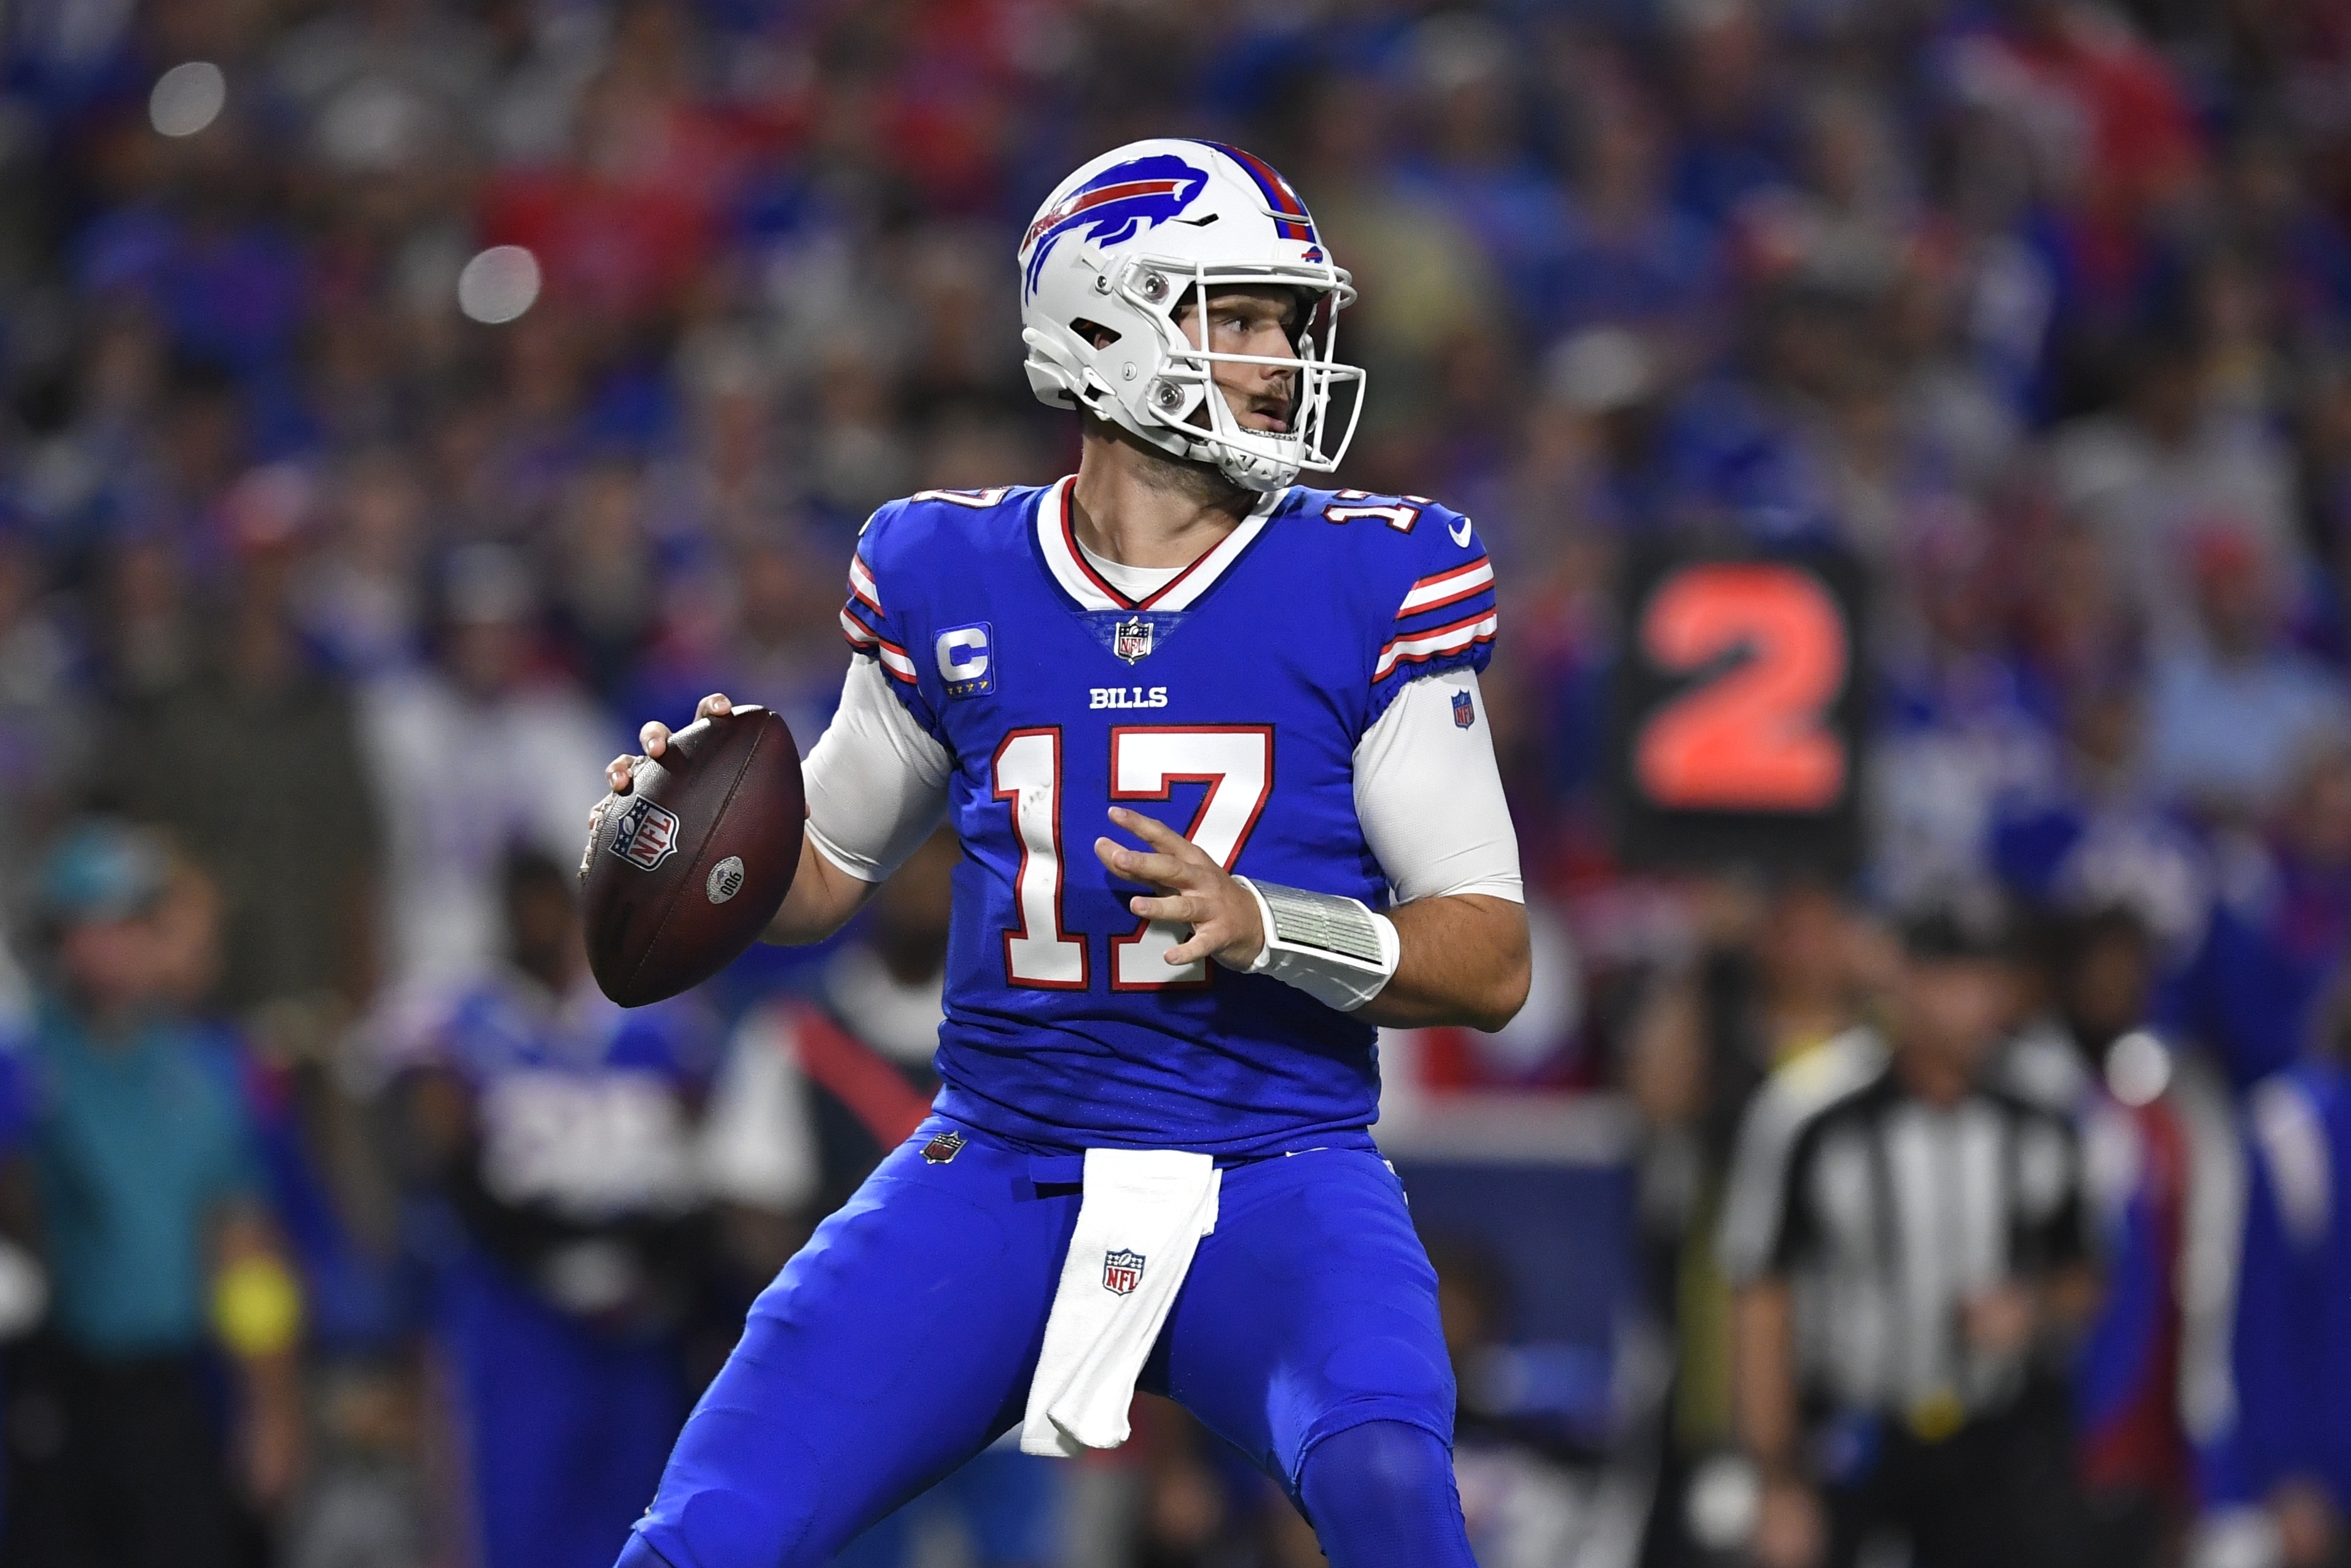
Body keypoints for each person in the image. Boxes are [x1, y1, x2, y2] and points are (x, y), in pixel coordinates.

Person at [598, 139, 1531, 1568]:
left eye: (1286, 320)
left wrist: (1270, 923)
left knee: (1395, 1495)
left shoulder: (1372, 571)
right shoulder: (942, 568)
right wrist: (689, 840)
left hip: (1271, 1166)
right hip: (1000, 1161)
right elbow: (825, 875)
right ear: (1109, 318)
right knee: (701, 1532)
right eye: (1238, 314)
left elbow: (1488, 955)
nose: (1280, 356)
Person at [1717, 890, 2096, 1568]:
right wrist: (1775, 1478)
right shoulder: (1812, 1113)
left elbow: (2083, 1272)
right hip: (1848, 1434)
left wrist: (2033, 1313)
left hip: (1993, 1442)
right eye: (1950, 976)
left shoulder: (2044, 1110)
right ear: (1903, 981)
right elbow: (1760, 1295)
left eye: (1987, 975)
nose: (1972, 999)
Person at [384, 849, 717, 1568]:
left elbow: (704, 1148)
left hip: (640, 1306)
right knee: (521, 1514)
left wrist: (660, 1256)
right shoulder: (458, 1020)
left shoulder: (659, 1020)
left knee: (644, 1512)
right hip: (515, 1304)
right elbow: (437, 1148)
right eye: (520, 906)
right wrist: (535, 1245)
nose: (535, 923)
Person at [5, 821, 304, 1568]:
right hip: (48, 1389)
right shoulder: (27, 1063)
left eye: (131, 925)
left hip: (177, 1389)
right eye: (90, 929)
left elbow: (244, 1252)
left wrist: (270, 1405)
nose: (111, 950)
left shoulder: (210, 1072)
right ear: (58, 940)